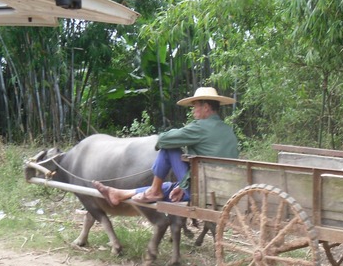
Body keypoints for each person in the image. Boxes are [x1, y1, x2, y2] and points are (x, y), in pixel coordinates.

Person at [94, 87, 239, 205]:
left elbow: (163, 140)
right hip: (223, 188)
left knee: (169, 149)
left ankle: (154, 190)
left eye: (195, 107)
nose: (193, 111)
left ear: (206, 107)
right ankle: (120, 193)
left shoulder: (200, 127)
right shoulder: (228, 130)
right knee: (171, 187)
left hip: (205, 189)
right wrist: (182, 186)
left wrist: (170, 133)